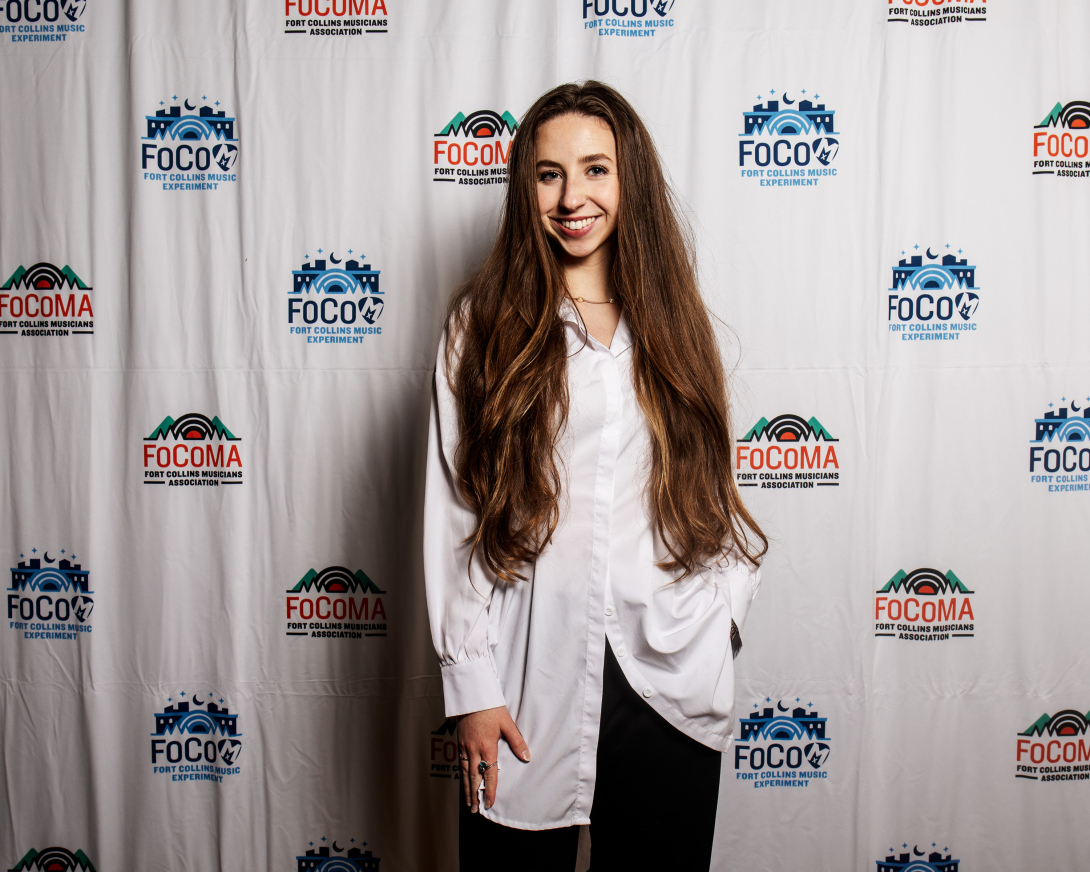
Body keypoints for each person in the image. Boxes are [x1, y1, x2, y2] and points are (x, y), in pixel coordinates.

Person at [423, 81, 767, 872]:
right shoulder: (481, 325)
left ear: (628, 180)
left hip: (666, 676)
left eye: (595, 170)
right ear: (525, 188)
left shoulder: (673, 320)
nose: (572, 197)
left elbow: (709, 488)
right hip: (523, 674)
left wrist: (721, 621)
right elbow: (453, 507)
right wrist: (469, 685)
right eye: (548, 174)